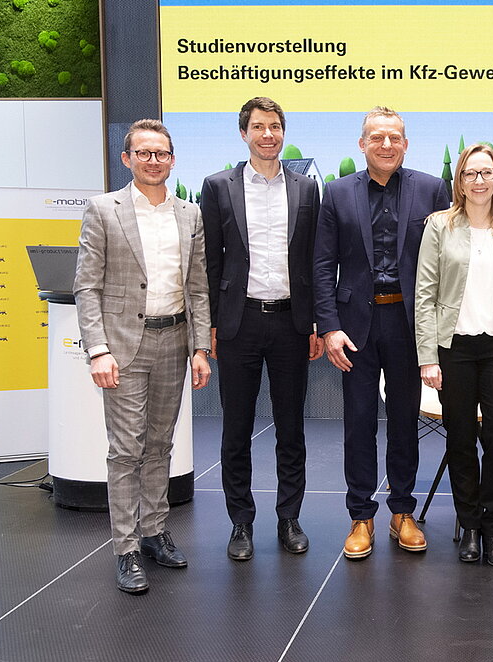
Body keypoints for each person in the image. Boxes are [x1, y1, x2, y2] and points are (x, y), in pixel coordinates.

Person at [74, 119, 212, 593]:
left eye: (162, 153)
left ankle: (154, 532)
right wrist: (98, 350)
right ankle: (126, 548)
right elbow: (86, 286)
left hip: (174, 342)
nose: (154, 160)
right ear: (127, 158)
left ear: (173, 160)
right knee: (126, 450)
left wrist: (200, 347)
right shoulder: (103, 210)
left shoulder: (189, 215)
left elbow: (197, 287)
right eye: (145, 152)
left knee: (160, 446)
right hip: (122, 348)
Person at [314, 106, 450, 559]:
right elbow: (321, 265)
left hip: (411, 324)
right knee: (357, 421)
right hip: (354, 326)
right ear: (362, 144)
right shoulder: (335, 194)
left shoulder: (432, 189)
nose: (386, 145)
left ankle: (402, 511)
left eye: (394, 138)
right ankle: (360, 516)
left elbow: (447, 265)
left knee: (404, 421)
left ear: (406, 144)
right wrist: (329, 327)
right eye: (377, 138)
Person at [201, 97, 322, 561]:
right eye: (258, 126)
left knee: (291, 428)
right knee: (236, 428)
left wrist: (314, 322)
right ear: (244, 133)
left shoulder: (307, 189)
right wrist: (211, 322)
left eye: (275, 126)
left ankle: (289, 518)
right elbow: (212, 262)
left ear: (283, 132)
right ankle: (240, 523)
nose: (268, 134)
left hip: (292, 322)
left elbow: (314, 261)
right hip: (239, 322)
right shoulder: (218, 187)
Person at [414, 144, 493, 568]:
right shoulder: (438, 227)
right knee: (461, 439)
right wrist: (427, 356)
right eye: (470, 173)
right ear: (459, 181)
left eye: (486, 172)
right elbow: (424, 295)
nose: (479, 180)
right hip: (454, 351)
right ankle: (469, 526)